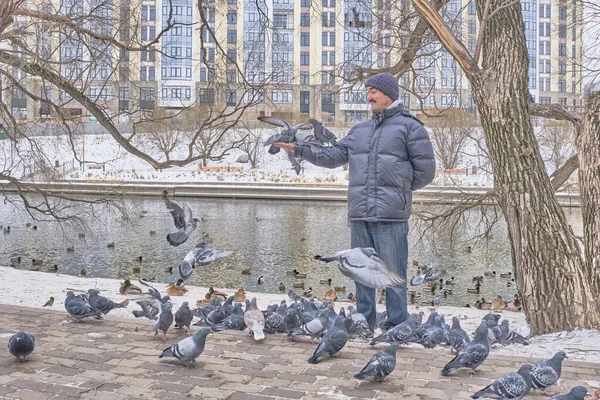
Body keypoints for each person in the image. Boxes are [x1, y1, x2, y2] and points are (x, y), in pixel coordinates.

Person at [274, 72, 436, 331]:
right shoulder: (360, 130)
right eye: (367, 92)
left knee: (393, 273)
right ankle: (363, 322)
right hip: (359, 213)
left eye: (374, 92)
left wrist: (399, 192)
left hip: (391, 216)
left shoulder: (410, 127)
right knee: (359, 271)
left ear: (389, 94)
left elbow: (425, 172)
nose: (369, 97)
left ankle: (396, 326)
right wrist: (300, 149)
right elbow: (333, 156)